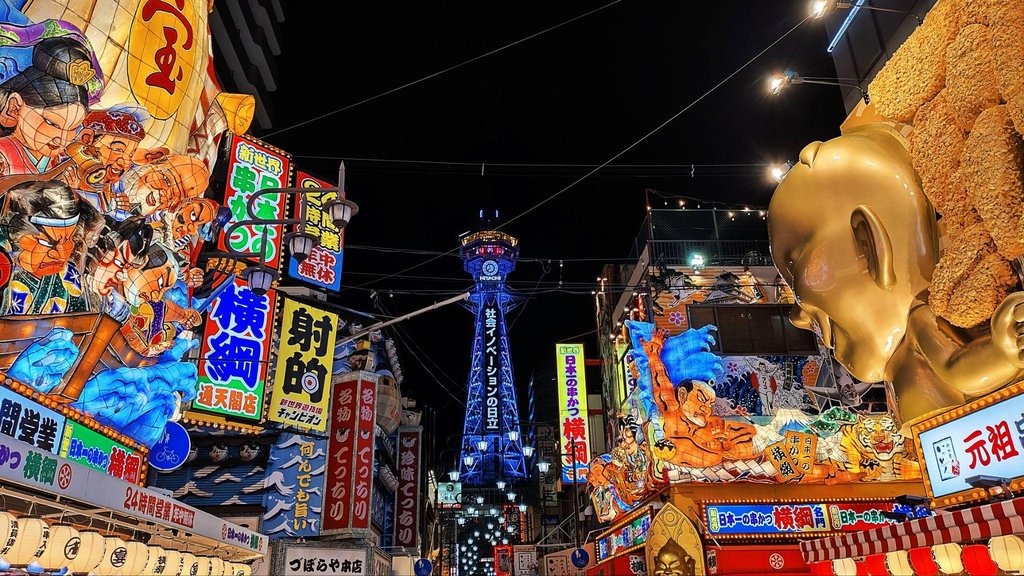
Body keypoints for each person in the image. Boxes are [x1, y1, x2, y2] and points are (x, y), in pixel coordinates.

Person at [769, 124, 1024, 424]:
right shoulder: (899, 351)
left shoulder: (920, 321)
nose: (797, 316)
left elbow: (958, 369)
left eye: (796, 262)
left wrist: (1003, 351)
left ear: (870, 243)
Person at [0, 34, 98, 176]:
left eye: (73, 128)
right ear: (14, 107)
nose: (62, 139)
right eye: (51, 123)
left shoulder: (55, 160)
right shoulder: (3, 153)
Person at [0, 179, 102, 314]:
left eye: (69, 239)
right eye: (48, 243)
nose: (60, 255)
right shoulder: (4, 273)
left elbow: (83, 322)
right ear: (14, 234)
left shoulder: (69, 276)